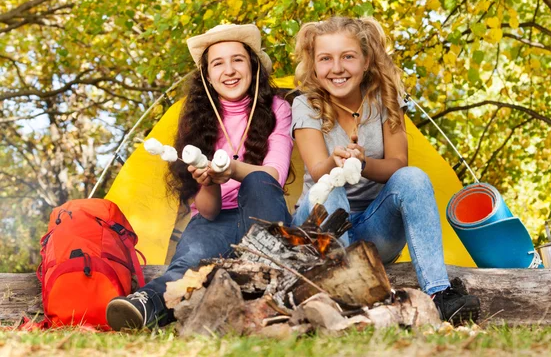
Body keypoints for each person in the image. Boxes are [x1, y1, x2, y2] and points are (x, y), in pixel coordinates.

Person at [290, 17, 480, 324]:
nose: (337, 68)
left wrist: (363, 164)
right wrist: (335, 160)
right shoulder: (304, 105)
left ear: (365, 62)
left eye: (348, 56)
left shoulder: (384, 99)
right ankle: (347, 297)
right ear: (313, 66)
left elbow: (397, 164)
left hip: (373, 231)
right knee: (332, 188)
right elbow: (316, 168)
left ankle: (440, 295)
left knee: (413, 178)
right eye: (325, 59)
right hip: (318, 229)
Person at [106, 24, 293, 330]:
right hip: (215, 219)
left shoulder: (278, 108)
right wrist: (207, 182)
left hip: (264, 215)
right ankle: (144, 305)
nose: (229, 70)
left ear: (253, 65)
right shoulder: (195, 118)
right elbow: (207, 210)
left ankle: (267, 303)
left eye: (238, 60)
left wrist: (231, 170)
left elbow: (274, 176)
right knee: (189, 265)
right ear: (207, 75)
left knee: (258, 182)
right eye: (218, 63)